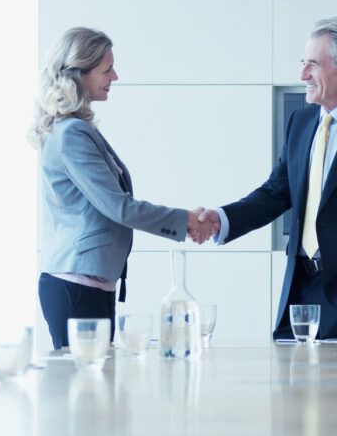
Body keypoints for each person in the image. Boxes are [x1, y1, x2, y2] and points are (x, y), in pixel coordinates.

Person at [199, 17, 337, 340]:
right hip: (297, 291)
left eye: (313, 65)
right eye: (303, 63)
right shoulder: (300, 123)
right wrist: (222, 219)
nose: (303, 74)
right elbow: (276, 193)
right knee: (291, 389)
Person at [30, 27, 216, 349]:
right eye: (106, 69)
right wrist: (185, 220)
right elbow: (119, 207)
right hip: (75, 288)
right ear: (79, 74)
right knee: (86, 392)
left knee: (98, 392)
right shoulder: (71, 134)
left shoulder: (77, 129)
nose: (115, 76)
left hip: (91, 286)